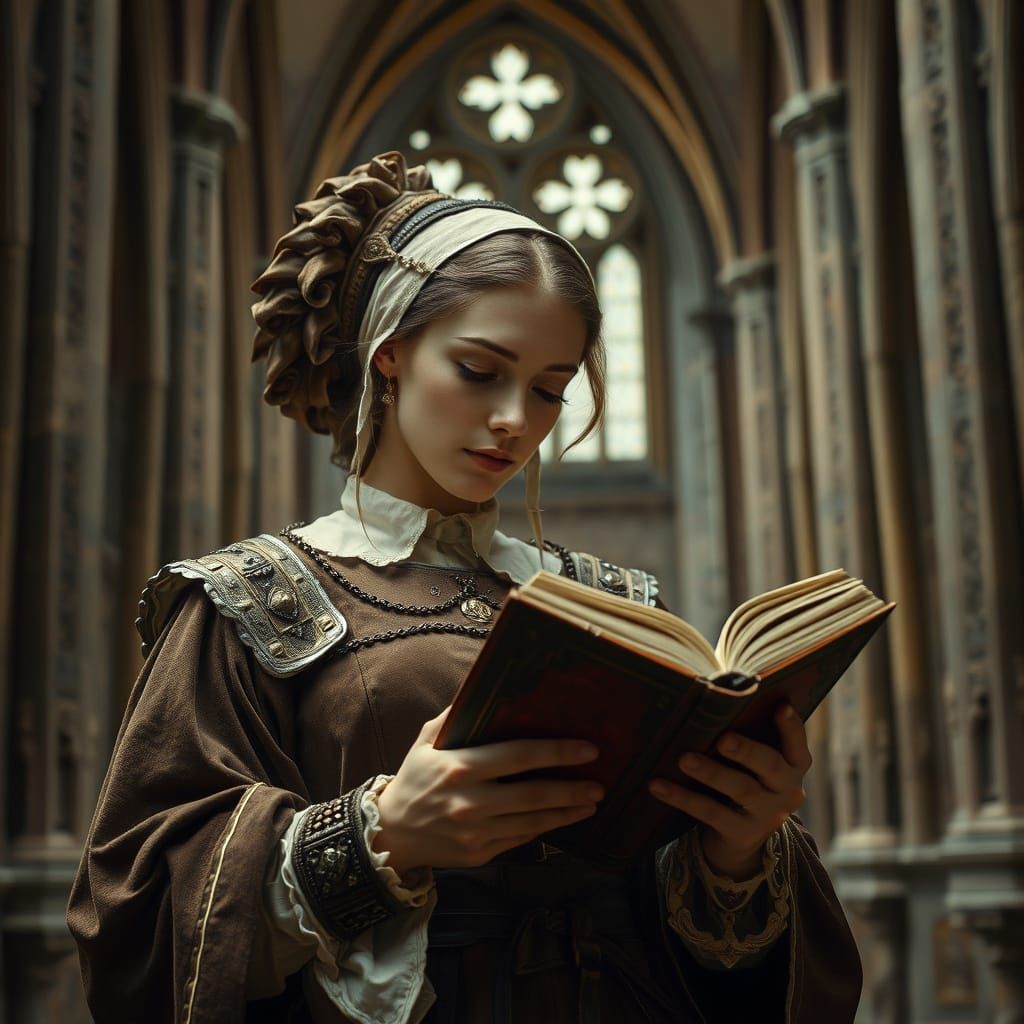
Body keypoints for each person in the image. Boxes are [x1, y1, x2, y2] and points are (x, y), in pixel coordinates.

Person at [67, 152, 861, 1023]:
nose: (516, 420)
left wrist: (737, 850)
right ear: (390, 354)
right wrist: (378, 839)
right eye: (481, 371)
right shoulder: (244, 601)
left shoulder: (621, 607)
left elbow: (674, 901)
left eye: (551, 390)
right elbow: (137, 912)